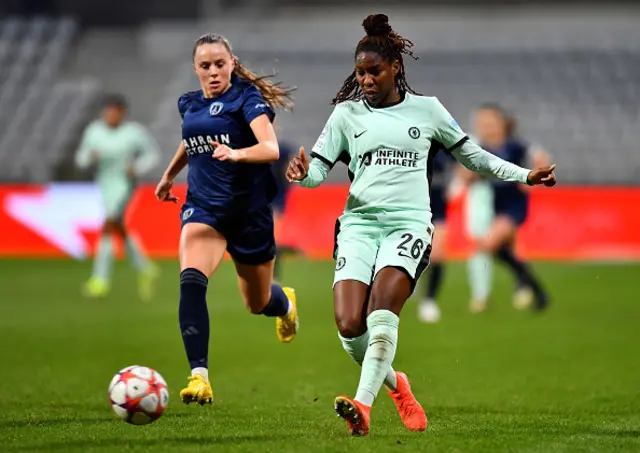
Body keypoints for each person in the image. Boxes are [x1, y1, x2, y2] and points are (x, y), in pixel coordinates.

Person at [286, 14, 556, 437]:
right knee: (348, 326)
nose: (367, 79)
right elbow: (318, 172)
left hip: (408, 226)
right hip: (358, 225)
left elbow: (474, 157)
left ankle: (363, 404)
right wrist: (302, 173)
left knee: (380, 313)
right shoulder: (345, 115)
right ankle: (398, 384)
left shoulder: (427, 111)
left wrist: (524, 175)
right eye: (360, 72)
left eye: (374, 71)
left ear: (395, 67)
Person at [154, 33, 299, 406]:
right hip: (204, 210)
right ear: (195, 69)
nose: (214, 71)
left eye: (220, 64)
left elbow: (269, 148)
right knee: (190, 282)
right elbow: (192, 141)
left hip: (248, 215)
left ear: (232, 63)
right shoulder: (189, 103)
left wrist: (236, 154)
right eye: (206, 66)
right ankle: (199, 377)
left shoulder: (246, 99)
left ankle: (284, 305)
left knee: (257, 303)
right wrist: (170, 175)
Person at [463, 104, 551, 313]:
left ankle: (533, 288)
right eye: (481, 123)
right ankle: (533, 289)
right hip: (496, 204)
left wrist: (532, 180)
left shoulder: (516, 146)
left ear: (501, 124)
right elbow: (468, 177)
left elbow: (542, 158)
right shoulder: (479, 148)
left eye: (489, 122)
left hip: (514, 205)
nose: (485, 127)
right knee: (506, 252)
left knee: (487, 245)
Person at [75, 94, 160, 301]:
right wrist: (90, 158)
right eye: (108, 112)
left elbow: (152, 155)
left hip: (125, 185)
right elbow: (81, 159)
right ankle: (145, 269)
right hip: (104, 184)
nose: (111, 116)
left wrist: (137, 167)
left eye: (115, 112)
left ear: (122, 113)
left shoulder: (134, 133)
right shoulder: (94, 132)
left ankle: (100, 280)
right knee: (117, 227)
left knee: (108, 225)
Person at [417, 147, 456, 323]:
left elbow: (463, 161)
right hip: (411, 210)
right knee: (416, 253)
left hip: (438, 210)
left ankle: (429, 301)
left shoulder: (442, 143)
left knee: (438, 254)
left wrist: (456, 185)